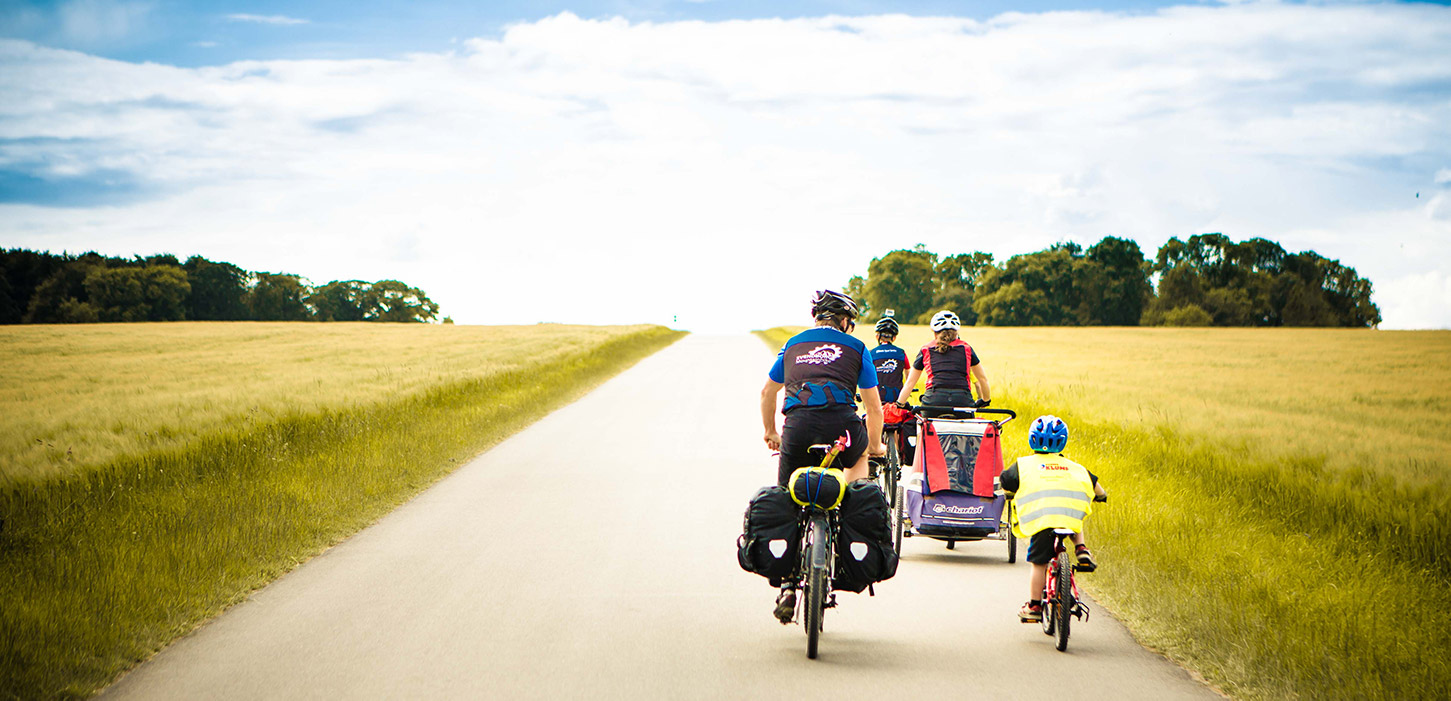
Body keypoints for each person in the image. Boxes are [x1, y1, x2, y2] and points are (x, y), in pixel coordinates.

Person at [761, 290, 886, 623]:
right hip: (842, 427)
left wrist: (771, 432)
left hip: (797, 428)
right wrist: (874, 447)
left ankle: (787, 585)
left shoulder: (793, 344)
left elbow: (768, 392)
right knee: (857, 479)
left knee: (788, 496)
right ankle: (846, 537)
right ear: (844, 321)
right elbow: (873, 407)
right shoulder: (857, 348)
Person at [999, 415, 1107, 623]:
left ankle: (1034, 606)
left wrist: (1010, 493)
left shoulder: (1024, 465)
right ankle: (1081, 548)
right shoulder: (1076, 467)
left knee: (1039, 563)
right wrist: (1101, 497)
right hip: (1069, 518)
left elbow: (1006, 481)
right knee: (1074, 513)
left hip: (1042, 522)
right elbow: (1098, 490)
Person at [897, 310, 991, 417]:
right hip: (962, 401)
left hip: (933, 401)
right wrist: (985, 400)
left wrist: (901, 403)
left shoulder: (926, 349)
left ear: (935, 332)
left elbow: (910, 383)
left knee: (923, 429)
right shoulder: (967, 348)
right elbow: (982, 379)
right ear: (956, 332)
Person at [869, 311, 907, 405]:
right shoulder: (901, 353)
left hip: (876, 398)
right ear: (894, 338)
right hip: (896, 398)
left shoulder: (871, 353)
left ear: (877, 336)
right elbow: (909, 375)